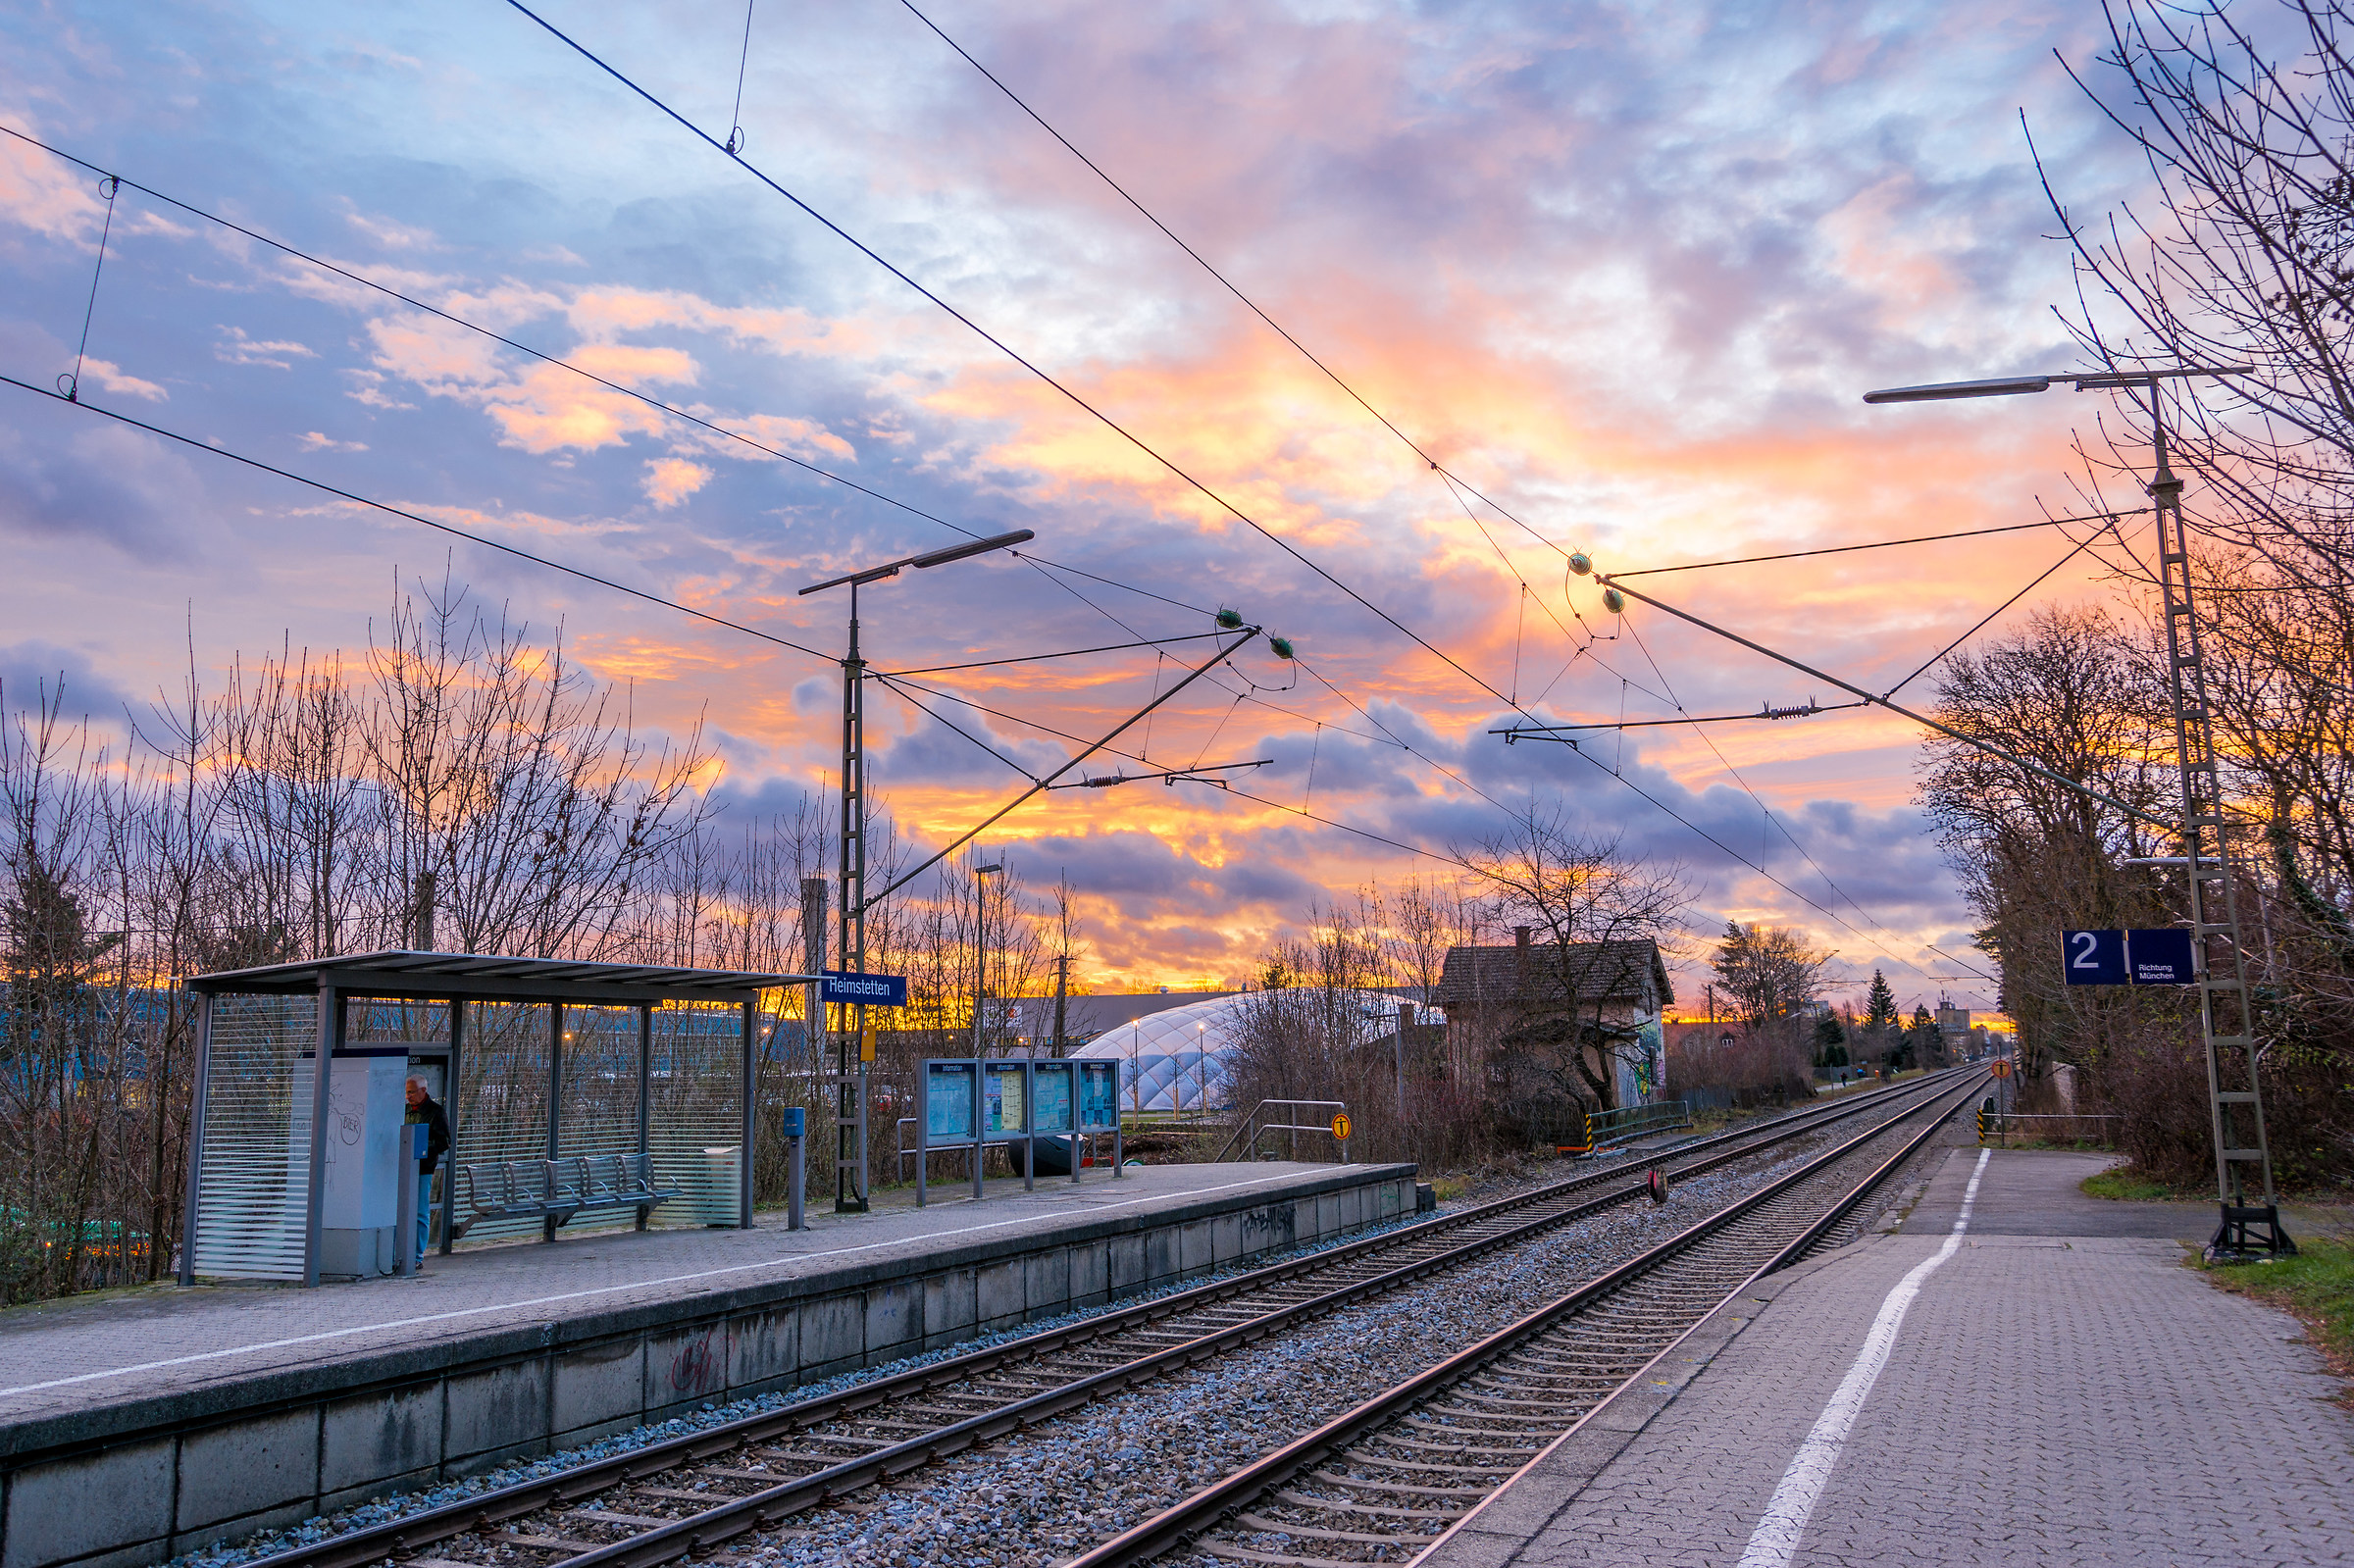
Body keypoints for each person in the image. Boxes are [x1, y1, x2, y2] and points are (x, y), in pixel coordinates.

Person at [403, 1076, 451, 1264]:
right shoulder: (405, 1111)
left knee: (420, 1212)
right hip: (403, 1167)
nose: (408, 1096)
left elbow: (444, 1142)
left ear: (423, 1090)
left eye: (411, 1092)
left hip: (423, 1168)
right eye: (407, 1092)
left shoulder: (436, 1112)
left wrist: (421, 1147)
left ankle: (417, 1255)